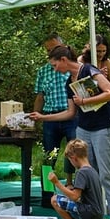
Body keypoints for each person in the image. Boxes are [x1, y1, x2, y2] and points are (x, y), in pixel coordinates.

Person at [28, 45, 110, 219]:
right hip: (84, 128)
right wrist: (42, 117)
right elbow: (70, 113)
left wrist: (86, 101)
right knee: (87, 173)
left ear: (64, 60)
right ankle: (94, 216)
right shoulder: (68, 83)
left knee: (107, 172)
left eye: (55, 65)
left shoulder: (88, 70)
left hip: (105, 126)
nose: (55, 69)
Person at [33, 33, 77, 186]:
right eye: (48, 50)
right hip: (50, 117)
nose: (51, 52)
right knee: (48, 155)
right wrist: (36, 117)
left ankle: (70, 183)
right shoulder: (43, 71)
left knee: (73, 152)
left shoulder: (74, 68)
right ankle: (47, 191)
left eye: (54, 48)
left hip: (71, 116)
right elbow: (40, 96)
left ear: (64, 47)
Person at [46, 138, 105, 219]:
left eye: (70, 160)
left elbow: (74, 197)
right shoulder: (92, 170)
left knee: (54, 200)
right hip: (97, 215)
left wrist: (57, 183)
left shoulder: (81, 172)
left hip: (88, 213)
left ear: (73, 157)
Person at [81, 34, 110, 101]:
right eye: (98, 51)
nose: (101, 54)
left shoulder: (106, 62)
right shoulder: (81, 61)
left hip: (104, 100)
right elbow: (79, 85)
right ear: (90, 49)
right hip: (86, 100)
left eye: (104, 51)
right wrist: (98, 77)